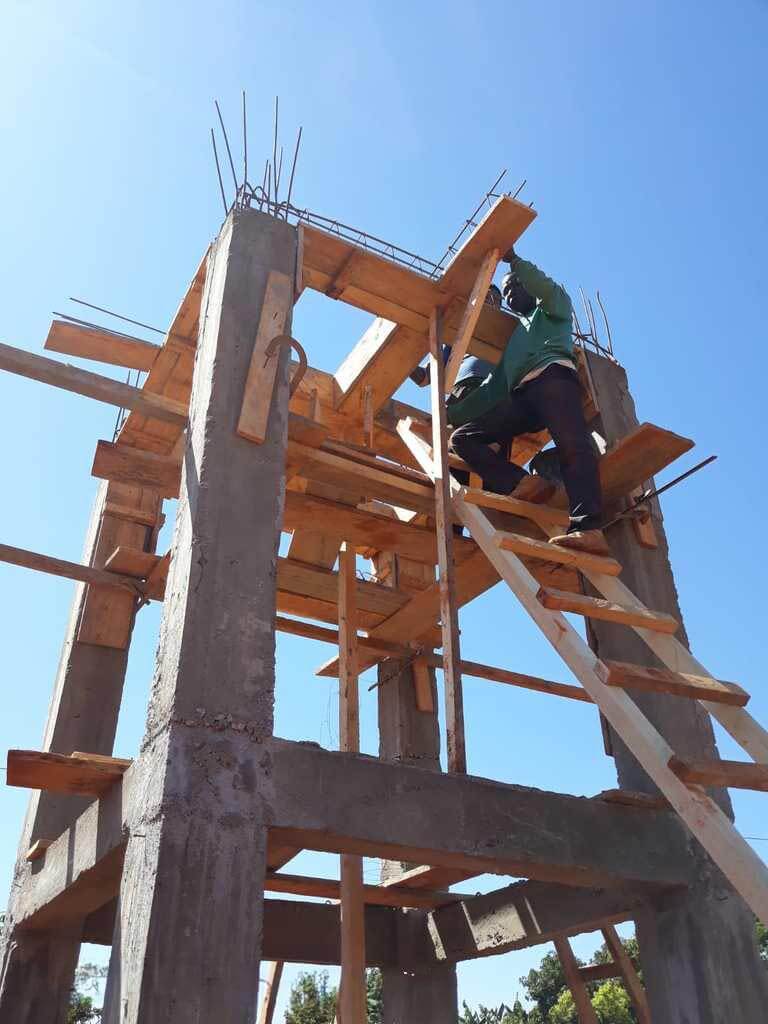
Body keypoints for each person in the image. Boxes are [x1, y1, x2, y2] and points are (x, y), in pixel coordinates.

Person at [444, 247, 606, 555]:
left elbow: (544, 285)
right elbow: (493, 387)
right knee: (463, 438)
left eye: (513, 287)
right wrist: (453, 412)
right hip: (522, 397)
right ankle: (524, 483)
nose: (509, 296)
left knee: (574, 446)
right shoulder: (517, 338)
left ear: (528, 286)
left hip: (554, 379)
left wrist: (514, 262)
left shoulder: (554, 308)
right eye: (506, 292)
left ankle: (588, 529)